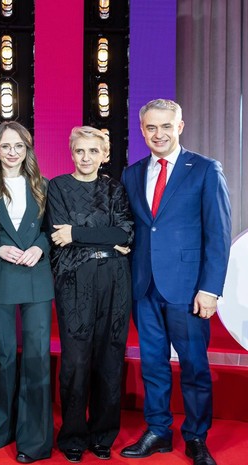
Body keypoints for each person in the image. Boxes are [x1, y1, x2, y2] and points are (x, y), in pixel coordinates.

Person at [120, 99, 231, 465]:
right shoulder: (132, 173)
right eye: (151, 127)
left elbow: (218, 233)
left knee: (194, 367)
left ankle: (197, 437)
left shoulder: (205, 169)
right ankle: (158, 431)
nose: (159, 134)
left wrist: (210, 288)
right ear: (142, 130)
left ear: (180, 127)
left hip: (188, 289)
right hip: (144, 287)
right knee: (153, 365)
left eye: (166, 126)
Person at [46, 126, 134, 463]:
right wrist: (105, 238)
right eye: (80, 151)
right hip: (74, 279)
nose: (86, 157)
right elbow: (59, 235)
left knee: (110, 356)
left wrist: (78, 233)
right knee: (76, 360)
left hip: (115, 278)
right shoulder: (58, 187)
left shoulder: (114, 188)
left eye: (93, 151)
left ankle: (102, 435)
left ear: (104, 155)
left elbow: (125, 233)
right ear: (71, 153)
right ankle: (72, 435)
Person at [0, 122, 54, 463]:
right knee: (5, 356)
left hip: (37, 278)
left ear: (28, 150)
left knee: (37, 358)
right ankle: (3, 427)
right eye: (6, 146)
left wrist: (40, 247)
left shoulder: (43, 185)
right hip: (0, 279)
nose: (12, 152)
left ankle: (34, 440)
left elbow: (51, 230)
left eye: (19, 146)